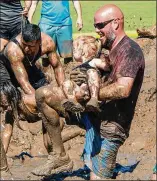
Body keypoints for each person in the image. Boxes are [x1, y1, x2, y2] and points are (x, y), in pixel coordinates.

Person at [32, 4, 145, 180]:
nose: (96, 30)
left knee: (97, 178)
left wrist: (90, 95)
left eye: (100, 25)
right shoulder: (109, 49)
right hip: (91, 113)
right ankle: (60, 155)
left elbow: (123, 89)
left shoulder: (129, 50)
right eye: (95, 25)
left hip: (111, 125)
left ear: (116, 23)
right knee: (43, 95)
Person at [1, 23, 65, 155]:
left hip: (29, 68)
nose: (25, 48)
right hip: (7, 72)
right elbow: (24, 84)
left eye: (30, 46)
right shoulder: (14, 50)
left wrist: (64, 91)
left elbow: (57, 67)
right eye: (24, 44)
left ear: (38, 42)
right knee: (11, 111)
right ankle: (2, 158)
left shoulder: (48, 42)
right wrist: (42, 104)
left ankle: (52, 153)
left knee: (48, 109)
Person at [61, 35, 110, 113]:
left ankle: (94, 99)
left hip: (91, 89)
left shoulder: (93, 61)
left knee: (91, 72)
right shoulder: (76, 66)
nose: (72, 51)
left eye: (74, 49)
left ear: (83, 51)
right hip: (79, 91)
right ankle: (73, 102)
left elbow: (107, 67)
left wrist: (107, 59)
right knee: (66, 83)